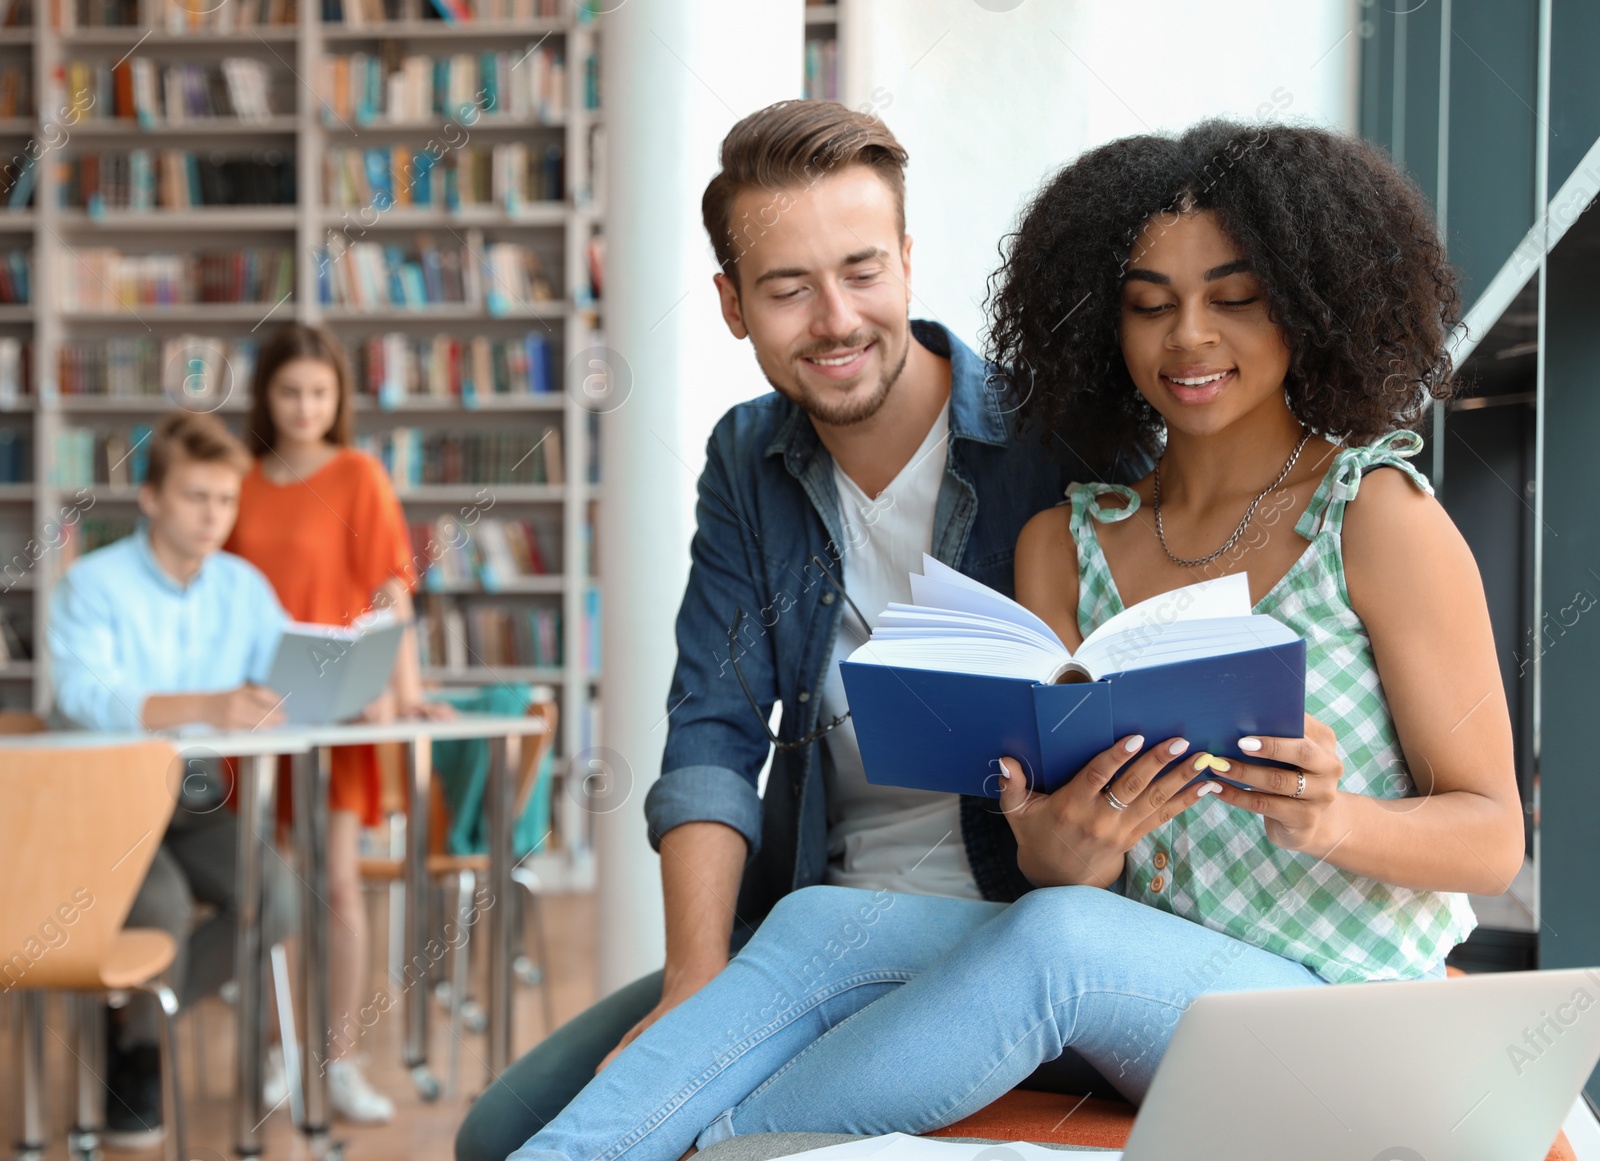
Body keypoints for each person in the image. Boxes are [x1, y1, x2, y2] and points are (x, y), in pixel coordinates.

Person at [503, 119, 1525, 1157]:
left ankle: (698, 1144)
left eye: (1235, 298)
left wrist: (1330, 819)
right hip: (1144, 971)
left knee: (1061, 939)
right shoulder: (1067, 537)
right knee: (821, 922)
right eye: (1147, 306)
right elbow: (1055, 866)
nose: (1188, 339)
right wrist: (1059, 844)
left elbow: (1493, 839)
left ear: (1308, 305)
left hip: (1333, 1008)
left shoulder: (1378, 516)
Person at [456, 99, 1144, 1161]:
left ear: (909, 262)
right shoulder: (750, 455)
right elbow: (713, 726)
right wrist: (694, 979)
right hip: (805, 924)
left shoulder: (1055, 444)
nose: (834, 319)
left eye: (862, 270)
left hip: (999, 934)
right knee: (497, 1128)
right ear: (732, 305)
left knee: (670, 1131)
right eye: (787, 288)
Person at [223, 322, 450, 1123]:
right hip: (259, 715)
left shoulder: (359, 475)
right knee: (269, 896)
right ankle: (282, 1047)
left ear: (338, 398)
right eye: (289, 392)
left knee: (341, 891)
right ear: (266, 397)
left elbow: (394, 588)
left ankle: (341, 1055)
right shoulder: (240, 482)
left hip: (342, 711)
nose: (304, 406)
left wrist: (411, 688)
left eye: (319, 392)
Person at [49, 411, 288, 1149]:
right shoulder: (92, 583)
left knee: (276, 896)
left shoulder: (244, 587)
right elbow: (83, 698)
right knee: (161, 903)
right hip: (104, 792)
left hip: (194, 792)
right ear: (151, 497)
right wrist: (208, 705)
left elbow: (288, 671)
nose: (214, 515)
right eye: (195, 496)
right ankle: (140, 1049)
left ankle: (133, 1008)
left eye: (225, 499)